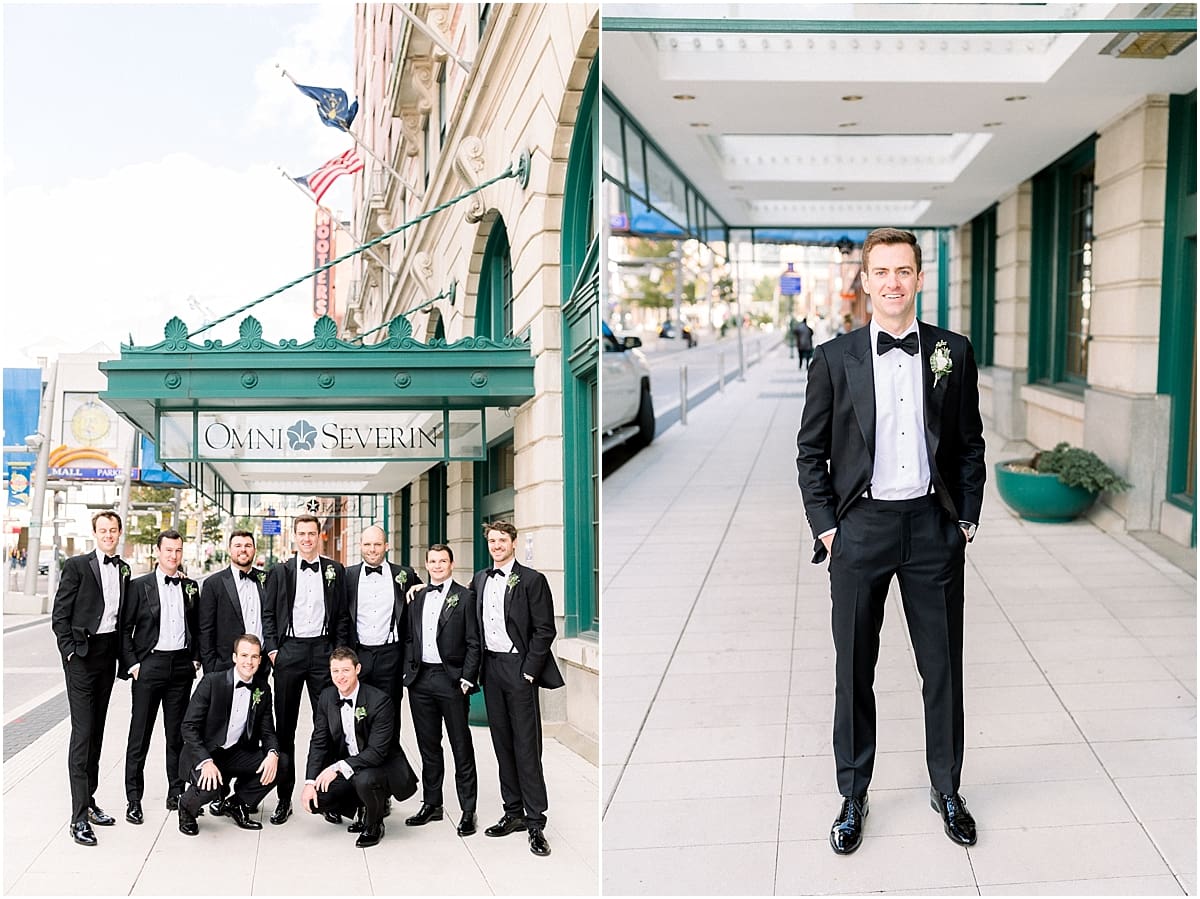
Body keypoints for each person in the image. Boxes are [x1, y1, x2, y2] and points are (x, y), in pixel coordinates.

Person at [796, 227, 985, 855]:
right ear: (866, 281)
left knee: (944, 671)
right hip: (861, 530)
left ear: (920, 278)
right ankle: (853, 794)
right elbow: (810, 453)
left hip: (933, 530)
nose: (893, 283)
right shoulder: (833, 358)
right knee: (854, 669)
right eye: (881, 272)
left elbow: (968, 443)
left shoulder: (952, 352)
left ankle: (947, 788)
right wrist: (828, 527)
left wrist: (965, 520)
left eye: (904, 271)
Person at [471, 520, 564, 857]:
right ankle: (512, 813)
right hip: (491, 668)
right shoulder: (480, 579)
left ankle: (536, 821)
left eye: (501, 540)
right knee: (502, 744)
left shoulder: (531, 580)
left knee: (526, 745)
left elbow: (544, 629)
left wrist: (528, 671)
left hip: (519, 669)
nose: (496, 546)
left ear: (513, 542)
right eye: (491, 541)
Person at [51, 510, 129, 846]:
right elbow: (60, 615)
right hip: (81, 657)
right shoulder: (77, 566)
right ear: (94, 533)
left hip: (107, 656)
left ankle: (90, 801)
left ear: (119, 533)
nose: (108, 535)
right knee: (82, 734)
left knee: (96, 731)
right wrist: (70, 652)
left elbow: (124, 619)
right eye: (103, 530)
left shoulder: (124, 569)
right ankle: (78, 818)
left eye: (113, 530)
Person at [262, 513, 346, 825]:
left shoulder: (334, 570)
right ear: (295, 536)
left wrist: (337, 653)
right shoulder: (280, 571)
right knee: (285, 728)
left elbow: (341, 616)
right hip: (290, 652)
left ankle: (330, 797)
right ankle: (284, 798)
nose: (307, 539)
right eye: (302, 533)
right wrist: (273, 650)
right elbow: (267, 612)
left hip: (324, 651)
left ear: (320, 536)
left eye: (312, 533)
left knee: (329, 725)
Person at [118, 529, 201, 826]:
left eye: (178, 551)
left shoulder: (191, 587)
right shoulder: (139, 586)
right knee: (139, 735)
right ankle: (134, 799)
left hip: (180, 666)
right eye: (168, 550)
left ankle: (176, 792)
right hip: (149, 665)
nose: (173, 556)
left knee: (176, 736)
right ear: (158, 551)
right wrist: (134, 664)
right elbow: (123, 629)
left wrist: (195, 659)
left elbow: (198, 626)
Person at [301, 646, 418, 848]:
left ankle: (374, 823)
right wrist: (310, 782)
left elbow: (376, 753)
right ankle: (360, 805)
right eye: (335, 671)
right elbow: (318, 742)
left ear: (358, 669)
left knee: (364, 779)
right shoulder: (327, 697)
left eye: (346, 670)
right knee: (314, 800)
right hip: (350, 765)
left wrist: (336, 768)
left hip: (380, 766)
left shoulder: (379, 701)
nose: (340, 676)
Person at [403, 543, 480, 836]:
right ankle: (432, 804)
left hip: (452, 680)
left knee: (461, 745)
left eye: (442, 561)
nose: (437, 565)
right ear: (426, 564)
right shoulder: (418, 596)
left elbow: (474, 641)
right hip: (421, 680)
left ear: (451, 563)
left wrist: (467, 678)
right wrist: (407, 671)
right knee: (428, 747)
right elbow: (410, 636)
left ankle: (467, 810)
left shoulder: (465, 597)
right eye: (432, 561)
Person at [176, 634, 281, 836]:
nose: (248, 662)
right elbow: (188, 726)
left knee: (281, 764)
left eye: (254, 656)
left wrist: (273, 754)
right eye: (244, 655)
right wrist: (206, 761)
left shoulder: (262, 689)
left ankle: (236, 804)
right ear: (234, 657)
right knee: (210, 786)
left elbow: (268, 730)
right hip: (205, 753)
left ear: (260, 660)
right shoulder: (211, 682)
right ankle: (186, 807)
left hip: (235, 752)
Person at [342, 524, 418, 732]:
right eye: (367, 544)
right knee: (358, 715)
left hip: (391, 656)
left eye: (377, 544)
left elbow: (427, 596)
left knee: (390, 713)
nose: (372, 549)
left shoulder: (405, 575)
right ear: (360, 546)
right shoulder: (347, 576)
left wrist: (423, 587)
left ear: (386, 546)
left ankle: (391, 762)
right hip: (358, 655)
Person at [198, 531, 268, 675]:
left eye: (248, 545)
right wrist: (210, 667)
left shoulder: (267, 580)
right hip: (224, 666)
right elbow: (205, 629)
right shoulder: (213, 584)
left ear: (254, 550)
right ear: (230, 550)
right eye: (238, 545)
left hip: (260, 665)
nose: (243, 549)